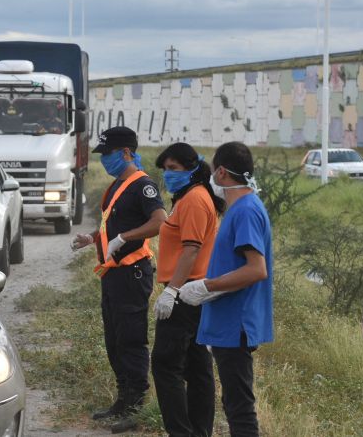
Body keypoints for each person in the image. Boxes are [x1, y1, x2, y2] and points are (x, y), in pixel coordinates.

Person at [71, 126, 166, 434]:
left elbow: (159, 222)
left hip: (133, 273)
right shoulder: (115, 187)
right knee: (113, 339)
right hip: (112, 274)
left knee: (131, 339)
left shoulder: (143, 186)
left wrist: (125, 236)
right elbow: (109, 228)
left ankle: (137, 404)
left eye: (109, 154)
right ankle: (123, 398)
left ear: (126, 153)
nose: (105, 160)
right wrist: (92, 239)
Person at [178, 141, 273, 437]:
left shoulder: (245, 210)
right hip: (228, 322)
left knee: (240, 407)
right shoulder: (240, 208)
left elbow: (256, 269)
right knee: (233, 402)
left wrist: (206, 286)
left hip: (237, 323)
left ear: (221, 172)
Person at [151, 142, 225, 437]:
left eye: (173, 169)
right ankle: (199, 431)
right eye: (165, 169)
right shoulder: (192, 196)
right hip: (193, 291)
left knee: (165, 366)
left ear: (192, 169)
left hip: (185, 292)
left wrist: (172, 292)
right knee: (197, 367)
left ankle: (182, 431)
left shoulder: (194, 199)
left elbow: (191, 250)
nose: (168, 174)